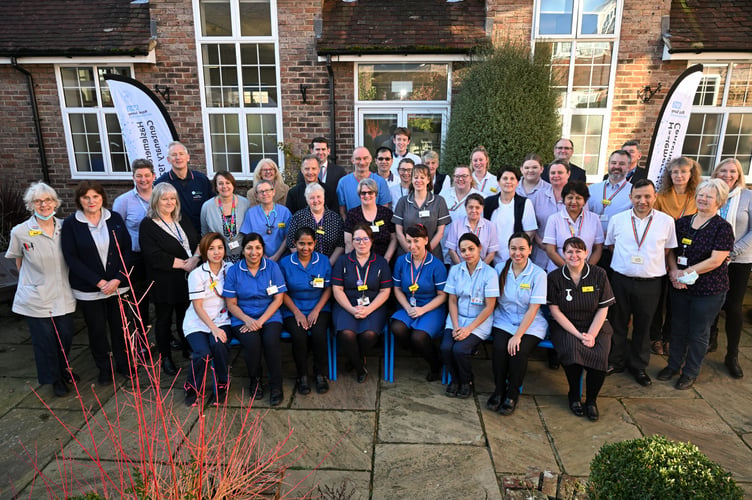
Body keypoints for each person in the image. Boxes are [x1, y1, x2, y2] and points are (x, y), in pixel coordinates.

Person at [658, 179, 734, 390]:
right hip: (680, 287)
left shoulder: (722, 228)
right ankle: (673, 366)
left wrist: (685, 273)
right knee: (678, 327)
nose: (703, 199)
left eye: (709, 196)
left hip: (708, 290)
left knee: (698, 332)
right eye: (701, 194)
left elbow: (716, 261)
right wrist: (674, 272)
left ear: (719, 201)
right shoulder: (682, 222)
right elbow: (671, 250)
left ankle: (690, 372)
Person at [7, 183, 77, 397]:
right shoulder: (20, 232)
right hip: (36, 297)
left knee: (64, 336)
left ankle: (63, 369)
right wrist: (32, 282)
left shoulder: (66, 227)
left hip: (63, 292)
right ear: (31, 205)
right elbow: (18, 262)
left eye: (47, 200)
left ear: (55, 202)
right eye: (38, 201)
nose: (44, 204)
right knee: (45, 341)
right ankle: (54, 379)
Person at [604, 179, 677, 386]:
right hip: (620, 280)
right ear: (631, 198)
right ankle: (615, 361)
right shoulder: (618, 219)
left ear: (654, 197)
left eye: (647, 196)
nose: (642, 200)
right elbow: (611, 246)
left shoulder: (666, 221)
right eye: (637, 196)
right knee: (618, 322)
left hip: (651, 283)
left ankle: (638, 366)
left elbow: (667, 250)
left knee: (644, 326)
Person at [62, 181, 132, 385]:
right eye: (86, 197)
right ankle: (104, 369)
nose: (91, 201)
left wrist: (118, 278)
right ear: (79, 200)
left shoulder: (115, 218)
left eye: (96, 196)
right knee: (97, 330)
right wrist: (100, 282)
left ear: (102, 197)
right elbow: (71, 257)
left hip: (118, 286)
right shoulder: (71, 224)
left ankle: (124, 364)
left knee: (120, 328)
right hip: (89, 289)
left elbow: (126, 250)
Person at [547, 237, 615, 421]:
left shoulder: (599, 274)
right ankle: (574, 395)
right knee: (571, 350)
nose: (574, 255)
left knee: (600, 355)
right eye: (569, 251)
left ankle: (591, 400)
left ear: (586, 253)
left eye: (578, 251)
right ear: (563, 254)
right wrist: (578, 335)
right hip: (566, 326)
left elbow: (603, 308)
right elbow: (555, 311)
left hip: (596, 324)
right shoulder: (554, 277)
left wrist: (591, 334)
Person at [139, 182, 201, 376]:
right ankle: (165, 357)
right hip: (164, 280)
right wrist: (185, 264)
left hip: (186, 279)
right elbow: (153, 255)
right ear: (156, 200)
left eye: (172, 198)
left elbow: (198, 240)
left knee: (185, 316)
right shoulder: (148, 225)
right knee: (164, 320)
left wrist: (196, 258)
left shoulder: (182, 219)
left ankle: (186, 347)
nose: (169, 202)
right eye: (165, 198)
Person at [488, 232, 548, 415]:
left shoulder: (538, 274)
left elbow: (533, 309)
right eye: (513, 248)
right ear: (508, 249)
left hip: (530, 323)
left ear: (530, 250)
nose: (517, 253)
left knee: (518, 351)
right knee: (499, 348)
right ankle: (499, 390)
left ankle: (512, 394)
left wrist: (517, 335)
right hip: (504, 319)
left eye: (522, 248)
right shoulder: (499, 269)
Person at [224, 232, 287, 406]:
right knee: (252, 344)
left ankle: (276, 385)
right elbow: (231, 304)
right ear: (243, 250)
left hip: (270, 315)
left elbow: (278, 299)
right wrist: (248, 320)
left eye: (258, 248)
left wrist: (260, 321)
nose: (254, 252)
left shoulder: (273, 267)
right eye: (249, 248)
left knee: (271, 342)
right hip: (242, 318)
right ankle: (256, 381)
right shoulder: (234, 271)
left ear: (263, 249)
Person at [650, 156, 701, 356]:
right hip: (662, 251)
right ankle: (654, 337)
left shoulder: (698, 196)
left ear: (691, 174)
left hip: (688, 253)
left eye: (683, 172)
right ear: (669, 175)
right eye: (675, 172)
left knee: (676, 299)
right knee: (658, 297)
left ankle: (670, 335)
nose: (679, 176)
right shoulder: (661, 196)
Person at [331, 224, 393, 383]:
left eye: (365, 238)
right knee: (346, 333)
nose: (361, 242)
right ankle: (359, 367)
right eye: (357, 239)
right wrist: (352, 310)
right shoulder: (343, 261)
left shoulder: (381, 262)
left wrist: (368, 309)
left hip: (374, 305)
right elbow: (337, 289)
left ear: (372, 241)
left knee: (369, 335)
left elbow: (385, 291)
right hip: (347, 304)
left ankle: (353, 359)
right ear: (352, 241)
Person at [441, 233, 499, 398]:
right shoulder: (455, 270)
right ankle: (455, 378)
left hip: (478, 321)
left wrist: (468, 329)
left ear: (480, 248)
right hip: (457, 319)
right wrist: (456, 325)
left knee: (460, 350)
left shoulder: (490, 273)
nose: (467, 253)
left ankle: (467, 381)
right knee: (446, 348)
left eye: (471, 249)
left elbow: (489, 307)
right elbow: (452, 301)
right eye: (463, 250)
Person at [709, 158, 752, 378]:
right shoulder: (712, 193)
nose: (728, 174)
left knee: (733, 306)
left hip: (739, 260)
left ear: (739, 174)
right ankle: (711, 337)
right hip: (712, 259)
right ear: (717, 172)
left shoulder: (748, 197)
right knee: (712, 300)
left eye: (732, 171)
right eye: (723, 170)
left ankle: (732, 355)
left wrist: (731, 251)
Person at [279, 227, 333, 395]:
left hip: (319, 307)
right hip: (293, 308)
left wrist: (317, 310)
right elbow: (282, 292)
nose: (305, 248)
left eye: (310, 244)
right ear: (294, 243)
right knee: (299, 335)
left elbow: (328, 289)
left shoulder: (323, 261)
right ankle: (301, 375)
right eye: (301, 243)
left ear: (315, 243)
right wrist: (297, 313)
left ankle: (320, 374)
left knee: (318, 333)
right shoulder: (285, 263)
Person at [390, 225, 448, 380]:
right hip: (408, 304)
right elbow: (397, 289)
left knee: (419, 337)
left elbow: (442, 296)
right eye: (409, 241)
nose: (412, 246)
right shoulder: (401, 261)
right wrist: (408, 307)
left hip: (431, 307)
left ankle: (435, 364)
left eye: (416, 241)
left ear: (426, 240)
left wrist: (423, 310)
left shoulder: (437, 265)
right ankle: (417, 349)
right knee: (397, 327)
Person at [182, 232, 232, 406]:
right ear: (204, 251)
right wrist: (214, 329)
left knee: (218, 345)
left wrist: (218, 328)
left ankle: (222, 383)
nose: (216, 252)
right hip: (197, 321)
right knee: (203, 353)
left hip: (221, 319)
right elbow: (197, 306)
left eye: (219, 248)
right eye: (211, 249)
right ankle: (192, 386)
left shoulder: (230, 269)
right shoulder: (197, 274)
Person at [113, 159, 156, 342]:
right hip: (136, 257)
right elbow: (117, 231)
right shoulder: (124, 201)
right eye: (139, 176)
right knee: (139, 300)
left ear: (153, 176)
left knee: (161, 297)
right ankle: (141, 339)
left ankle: (166, 336)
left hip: (158, 256)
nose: (143, 179)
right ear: (133, 177)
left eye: (147, 175)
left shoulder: (162, 196)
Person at [587, 150, 633, 272]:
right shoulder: (592, 189)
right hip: (592, 250)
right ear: (608, 164)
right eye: (613, 163)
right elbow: (585, 216)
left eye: (621, 164)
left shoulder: (634, 192)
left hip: (616, 250)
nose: (616, 167)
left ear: (628, 166)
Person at [393, 163, 451, 260]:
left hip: (432, 254)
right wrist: (412, 252)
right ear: (411, 180)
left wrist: (425, 253)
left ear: (428, 179)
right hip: (406, 254)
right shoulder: (403, 202)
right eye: (416, 177)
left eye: (422, 177)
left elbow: (440, 232)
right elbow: (399, 232)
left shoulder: (439, 201)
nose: (418, 180)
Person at [543, 181, 604, 272]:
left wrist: (585, 270)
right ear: (563, 200)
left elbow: (598, 248)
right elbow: (550, 250)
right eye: (570, 198)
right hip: (558, 271)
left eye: (578, 198)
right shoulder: (554, 219)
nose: (574, 202)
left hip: (586, 273)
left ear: (585, 201)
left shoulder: (594, 219)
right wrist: (568, 270)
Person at [483, 165, 537, 265]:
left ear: (517, 182)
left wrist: (518, 252)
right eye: (504, 178)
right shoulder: (488, 202)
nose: (508, 181)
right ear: (498, 182)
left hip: (516, 259)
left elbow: (530, 233)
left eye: (512, 178)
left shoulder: (525, 203)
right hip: (491, 258)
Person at [155, 141, 213, 233]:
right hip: (175, 234)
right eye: (174, 155)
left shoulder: (202, 180)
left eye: (181, 154)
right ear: (168, 160)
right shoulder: (161, 183)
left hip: (202, 232)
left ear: (188, 157)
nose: (178, 157)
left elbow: (212, 204)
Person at [286, 183, 345, 265]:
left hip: (330, 265)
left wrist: (328, 264)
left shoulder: (335, 219)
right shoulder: (298, 217)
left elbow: (341, 244)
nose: (316, 201)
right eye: (312, 198)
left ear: (323, 198)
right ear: (307, 200)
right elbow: (291, 243)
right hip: (305, 266)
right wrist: (304, 263)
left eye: (318, 197)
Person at [200, 170, 250, 263]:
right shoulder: (207, 206)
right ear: (216, 186)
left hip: (243, 255)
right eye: (220, 183)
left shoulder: (245, 203)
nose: (224, 186)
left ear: (233, 185)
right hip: (218, 257)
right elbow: (205, 233)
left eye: (228, 183)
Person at [344, 178, 397, 261]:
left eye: (370, 192)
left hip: (385, 261)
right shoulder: (352, 214)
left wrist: (386, 259)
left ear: (375, 194)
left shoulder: (386, 213)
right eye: (363, 193)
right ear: (359, 195)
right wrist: (353, 262)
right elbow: (348, 242)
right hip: (359, 262)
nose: (367, 196)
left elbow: (394, 238)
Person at [530, 159, 569, 270]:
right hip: (541, 251)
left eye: (560, 172)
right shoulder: (538, 195)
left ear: (568, 174)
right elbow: (532, 223)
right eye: (552, 173)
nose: (556, 175)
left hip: (565, 253)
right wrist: (540, 242)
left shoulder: (574, 197)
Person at [239, 180, 291, 261]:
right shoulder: (251, 213)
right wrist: (262, 255)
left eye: (267, 190)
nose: (264, 194)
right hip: (258, 258)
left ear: (273, 192)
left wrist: (276, 257)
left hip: (282, 258)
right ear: (256, 195)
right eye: (261, 192)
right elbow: (248, 238)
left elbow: (288, 237)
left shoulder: (284, 212)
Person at [337, 147, 392, 218]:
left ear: (370, 159)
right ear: (352, 160)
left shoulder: (380, 182)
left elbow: (384, 209)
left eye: (365, 158)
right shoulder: (343, 182)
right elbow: (342, 211)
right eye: (358, 159)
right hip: (352, 226)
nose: (362, 162)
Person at [445, 193, 498, 265]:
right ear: (465, 208)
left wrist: (480, 269)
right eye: (470, 207)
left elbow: (491, 253)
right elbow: (452, 250)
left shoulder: (490, 226)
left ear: (482, 208)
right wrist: (462, 268)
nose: (474, 210)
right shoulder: (456, 225)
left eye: (477, 207)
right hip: (459, 268)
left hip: (482, 269)